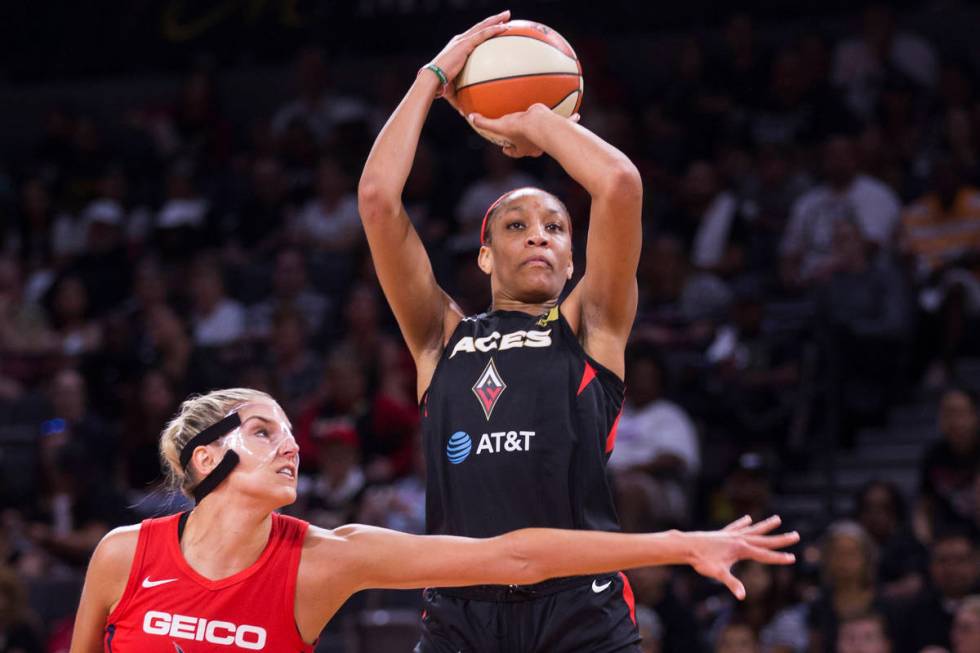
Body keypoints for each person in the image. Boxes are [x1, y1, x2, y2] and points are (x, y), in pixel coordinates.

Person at [68, 388, 798, 652]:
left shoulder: (325, 558)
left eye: (290, 429)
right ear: (203, 460)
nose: (291, 442)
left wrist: (680, 542)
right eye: (263, 431)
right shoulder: (123, 553)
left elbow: (512, 557)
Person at [357, 10, 658, 651]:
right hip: (462, 610)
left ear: (575, 260)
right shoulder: (441, 338)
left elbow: (620, 185)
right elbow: (379, 201)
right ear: (485, 255)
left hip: (579, 605)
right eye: (516, 228)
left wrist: (537, 122)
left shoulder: (591, 325)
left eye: (554, 228)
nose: (539, 237)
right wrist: (432, 78)